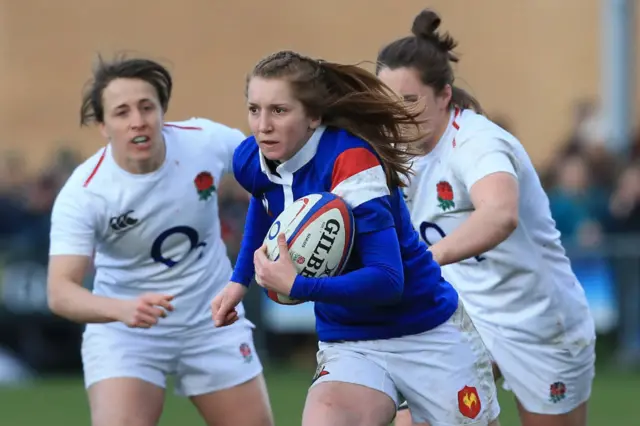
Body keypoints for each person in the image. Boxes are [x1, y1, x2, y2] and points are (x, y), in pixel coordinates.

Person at [211, 50, 501, 426]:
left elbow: (388, 280)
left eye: (279, 111)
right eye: (254, 109)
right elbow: (264, 199)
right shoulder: (253, 157)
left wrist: (299, 285)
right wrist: (239, 279)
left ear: (313, 116)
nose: (262, 125)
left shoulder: (352, 161)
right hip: (349, 340)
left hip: (427, 330)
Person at [375, 9, 596, 426]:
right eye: (387, 102)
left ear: (444, 96)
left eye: (409, 101)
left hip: (539, 323)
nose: (396, 115)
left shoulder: (477, 141)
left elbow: (499, 214)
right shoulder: (394, 151)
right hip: (462, 318)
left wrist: (425, 260)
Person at [46, 55, 273, 426]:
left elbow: (274, 171)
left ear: (162, 111)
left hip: (211, 320)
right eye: (121, 112)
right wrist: (122, 310)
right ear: (103, 125)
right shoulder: (85, 192)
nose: (138, 120)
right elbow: (60, 291)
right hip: (127, 334)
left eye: (146, 107)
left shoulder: (205, 141)